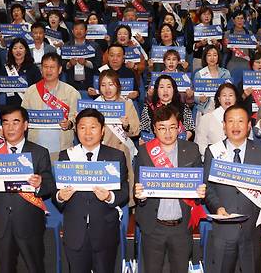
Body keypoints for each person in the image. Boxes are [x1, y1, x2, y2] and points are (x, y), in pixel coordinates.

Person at [0, 105, 55, 273]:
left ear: (25, 125)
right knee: (5, 268)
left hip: (29, 222)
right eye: (6, 123)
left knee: (35, 267)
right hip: (2, 222)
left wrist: (39, 184)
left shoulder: (39, 152)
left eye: (16, 122)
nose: (10, 127)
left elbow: (49, 185)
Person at [54, 108, 129, 273]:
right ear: (76, 130)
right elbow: (56, 193)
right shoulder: (66, 156)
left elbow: (124, 192)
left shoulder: (116, 156)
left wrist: (110, 196)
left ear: (102, 131)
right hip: (75, 232)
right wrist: (60, 196)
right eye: (82, 127)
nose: (87, 132)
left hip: (105, 232)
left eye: (93, 127)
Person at [134, 104, 206, 273]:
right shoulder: (144, 152)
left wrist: (200, 193)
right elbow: (137, 190)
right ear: (154, 129)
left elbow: (199, 187)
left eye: (172, 127)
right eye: (162, 128)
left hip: (181, 227)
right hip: (153, 226)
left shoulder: (192, 150)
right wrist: (140, 195)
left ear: (179, 127)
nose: (168, 133)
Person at [203, 104, 261, 273]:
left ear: (249, 125)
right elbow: (208, 187)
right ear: (224, 125)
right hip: (223, 229)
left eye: (240, 121)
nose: (235, 126)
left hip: (252, 231)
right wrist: (217, 207)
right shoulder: (213, 152)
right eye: (231, 121)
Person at [21, 52, 80, 158]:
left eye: (52, 67)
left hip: (62, 149)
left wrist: (69, 123)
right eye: (45, 67)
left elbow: (78, 118)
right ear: (41, 69)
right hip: (35, 148)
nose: (48, 70)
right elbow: (22, 117)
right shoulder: (31, 91)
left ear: (60, 69)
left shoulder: (71, 92)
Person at [95, 69, 140, 200]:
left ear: (118, 86)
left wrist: (126, 126)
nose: (107, 89)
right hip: (101, 151)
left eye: (111, 84)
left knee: (123, 189)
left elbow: (136, 130)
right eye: (103, 85)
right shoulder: (95, 105)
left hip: (122, 150)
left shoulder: (127, 103)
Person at [140, 74, 195, 142]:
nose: (165, 90)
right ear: (157, 90)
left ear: (174, 89)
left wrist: (181, 139)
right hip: (156, 146)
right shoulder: (149, 108)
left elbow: (190, 128)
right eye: (162, 87)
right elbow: (144, 130)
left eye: (169, 87)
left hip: (179, 145)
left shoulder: (183, 107)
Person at [195, 82, 240, 157]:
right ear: (219, 99)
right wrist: (218, 157)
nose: (227, 98)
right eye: (224, 95)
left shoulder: (243, 117)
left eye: (231, 95)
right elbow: (200, 144)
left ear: (235, 98)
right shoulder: (207, 118)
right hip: (214, 161)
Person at [193, 45, 231, 117]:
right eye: (209, 55)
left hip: (222, 108)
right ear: (205, 57)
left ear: (218, 57)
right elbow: (195, 96)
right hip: (205, 109)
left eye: (215, 55)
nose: (212, 58)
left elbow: (230, 92)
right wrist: (201, 99)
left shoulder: (226, 73)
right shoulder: (199, 74)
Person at [2, 37, 42, 106]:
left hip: (28, 105)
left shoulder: (33, 68)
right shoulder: (5, 68)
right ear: (11, 51)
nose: (18, 51)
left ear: (26, 50)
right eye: (15, 48)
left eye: (21, 48)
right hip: (10, 105)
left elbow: (39, 89)